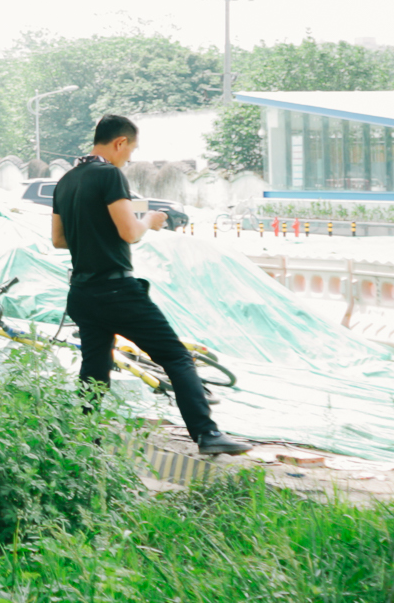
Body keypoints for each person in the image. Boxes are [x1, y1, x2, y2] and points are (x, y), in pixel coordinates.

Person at [50, 115, 248, 458]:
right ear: (120, 143)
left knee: (94, 369)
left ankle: (83, 440)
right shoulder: (110, 174)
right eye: (131, 150)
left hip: (81, 293)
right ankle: (207, 433)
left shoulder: (66, 181)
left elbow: (58, 239)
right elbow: (130, 232)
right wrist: (150, 220)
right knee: (176, 357)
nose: (129, 158)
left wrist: (96, 232)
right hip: (117, 293)